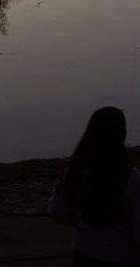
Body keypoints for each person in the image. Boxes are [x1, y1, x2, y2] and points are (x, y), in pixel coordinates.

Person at [49, 106, 140, 266]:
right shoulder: (131, 179)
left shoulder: (75, 169)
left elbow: (57, 209)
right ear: (122, 135)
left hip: (83, 256)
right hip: (120, 258)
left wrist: (82, 220)